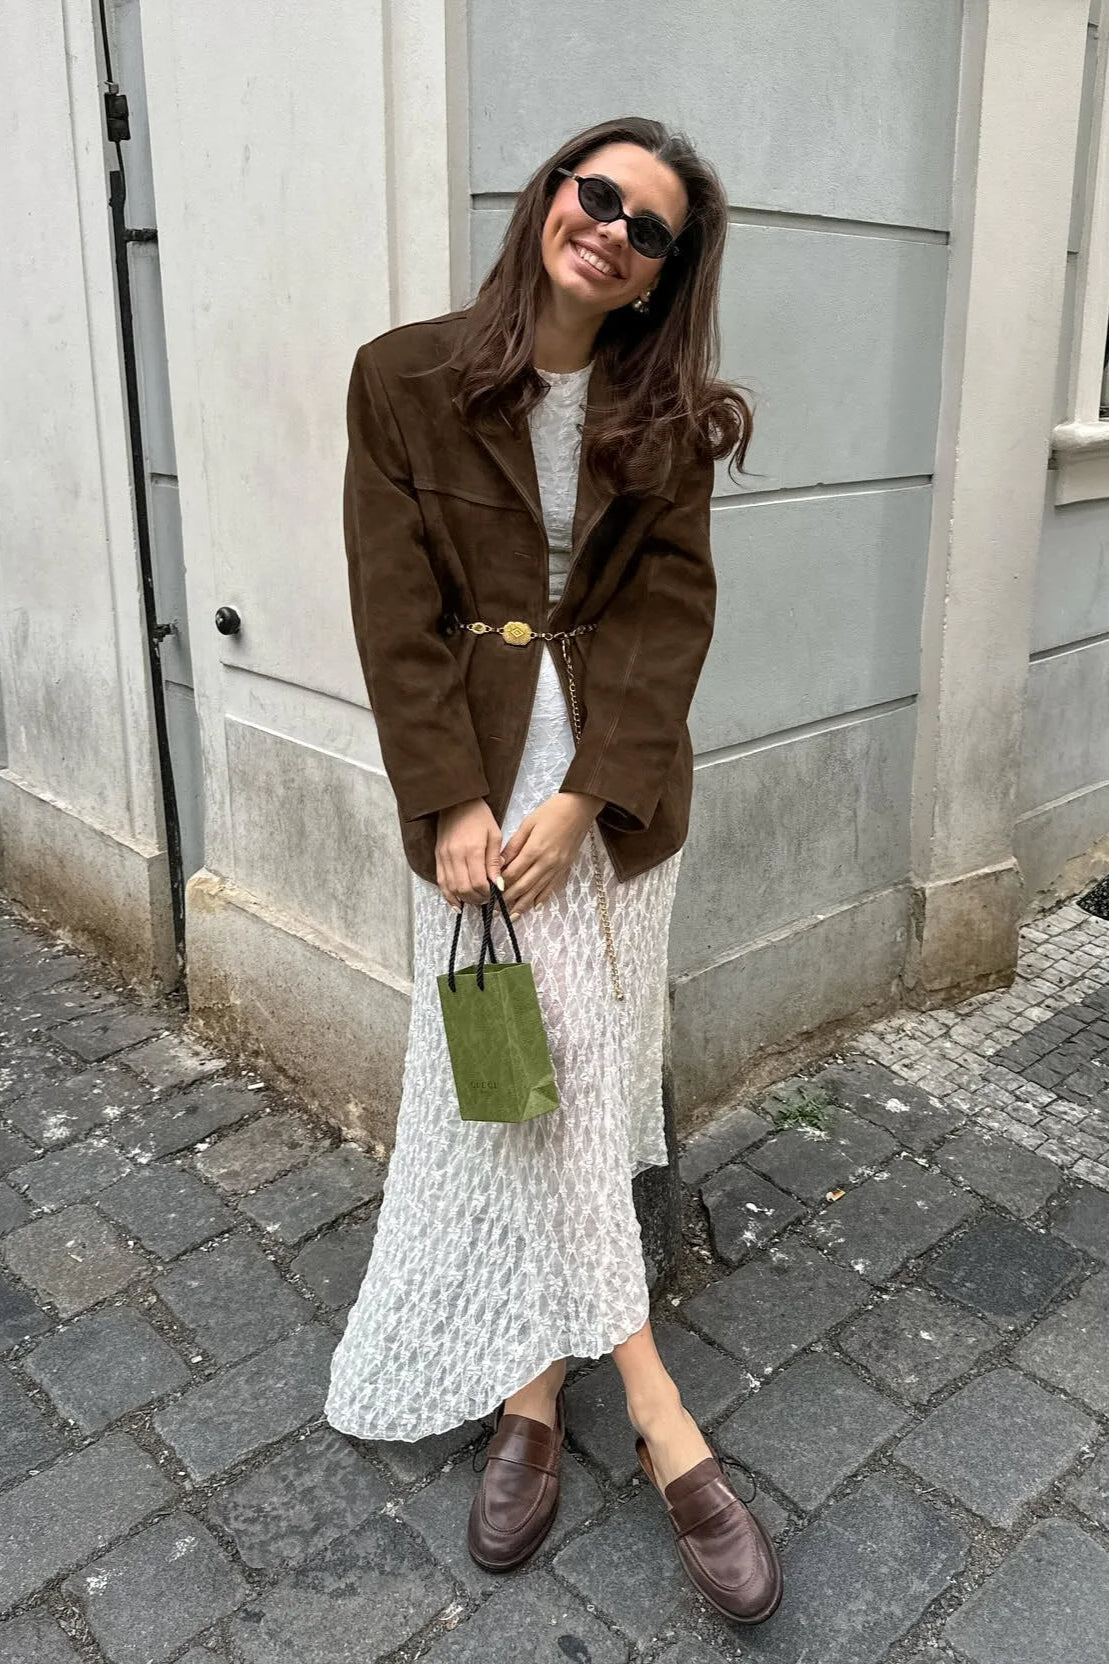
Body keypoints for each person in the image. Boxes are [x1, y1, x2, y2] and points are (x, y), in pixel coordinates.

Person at [324, 115, 782, 1625]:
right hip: (471, 784)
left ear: (662, 276)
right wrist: (450, 796)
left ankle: (534, 1397)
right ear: (549, 200)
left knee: (574, 1063)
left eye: (650, 230)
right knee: (530, 1066)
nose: (613, 231)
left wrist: (585, 797)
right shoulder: (401, 377)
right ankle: (653, 1414)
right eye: (599, 196)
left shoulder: (671, 420)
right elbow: (391, 605)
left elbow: (669, 616)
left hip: (607, 798)